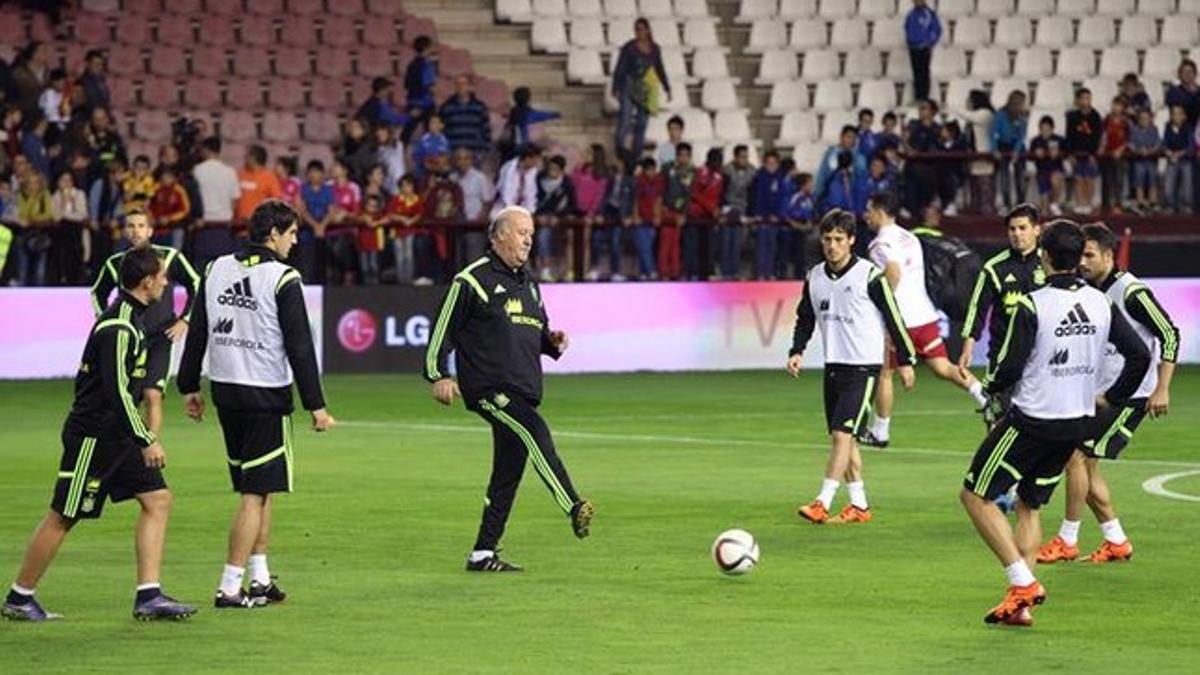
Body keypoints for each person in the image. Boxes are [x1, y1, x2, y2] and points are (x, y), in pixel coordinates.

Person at [960, 219, 1149, 627]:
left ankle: (1022, 582)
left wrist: (987, 384)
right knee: (1028, 504)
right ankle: (1021, 608)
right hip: (1076, 424)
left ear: (1044, 257)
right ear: (1077, 257)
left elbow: (1009, 366)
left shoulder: (1034, 303)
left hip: (1032, 419)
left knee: (975, 496)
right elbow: (1139, 356)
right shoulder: (1100, 302)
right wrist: (1111, 399)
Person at [2, 248, 196, 622]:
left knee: (158, 499)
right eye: (162, 276)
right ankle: (19, 597)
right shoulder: (119, 326)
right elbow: (117, 392)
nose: (167, 282)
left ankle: (149, 596)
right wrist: (147, 438)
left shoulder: (132, 320)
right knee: (64, 515)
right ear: (146, 282)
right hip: (94, 436)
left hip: (116, 436)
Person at [178, 200, 335, 609]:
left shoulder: (215, 269)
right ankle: (229, 586)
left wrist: (189, 386)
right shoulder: (283, 278)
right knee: (254, 494)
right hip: (265, 395)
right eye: (292, 233)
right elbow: (301, 348)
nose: (296, 241)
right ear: (273, 235)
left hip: (226, 391)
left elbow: (198, 331)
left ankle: (260, 578)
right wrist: (316, 405)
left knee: (261, 491)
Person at [424, 206, 594, 572]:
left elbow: (537, 331)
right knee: (535, 429)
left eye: (531, 232)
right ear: (498, 235)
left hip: (524, 386)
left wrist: (553, 343)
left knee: (508, 470)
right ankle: (573, 504)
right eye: (521, 231)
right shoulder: (472, 280)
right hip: (489, 387)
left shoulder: (529, 282)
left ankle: (483, 553)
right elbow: (443, 329)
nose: (528, 238)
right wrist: (438, 374)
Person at [1037, 223, 1179, 566]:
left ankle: (1067, 540)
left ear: (1108, 256)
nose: (1083, 262)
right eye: (1080, 255)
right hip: (1104, 394)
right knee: (1085, 465)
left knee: (1077, 457)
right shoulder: (1094, 293)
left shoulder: (1131, 291)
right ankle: (1115, 540)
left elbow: (1169, 333)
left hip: (1133, 395)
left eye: (1090, 255)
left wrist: (1161, 388)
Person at [789, 209, 917, 525]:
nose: (832, 245)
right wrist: (797, 350)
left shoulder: (870, 276)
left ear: (851, 241)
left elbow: (893, 317)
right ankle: (859, 505)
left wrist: (906, 359)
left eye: (839, 239)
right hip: (834, 366)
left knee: (841, 436)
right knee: (846, 440)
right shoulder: (815, 276)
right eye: (828, 239)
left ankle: (823, 500)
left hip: (863, 368)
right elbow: (805, 317)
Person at [857, 192, 991, 449]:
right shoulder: (910, 237)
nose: (866, 215)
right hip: (925, 316)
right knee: (942, 367)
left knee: (885, 373)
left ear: (880, 211)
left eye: (868, 210)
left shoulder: (878, 245)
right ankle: (983, 396)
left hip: (901, 321)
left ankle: (880, 432)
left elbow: (893, 274)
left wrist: (882, 306)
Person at [90, 208, 200, 436]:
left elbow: (197, 284)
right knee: (128, 397)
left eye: (141, 225)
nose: (135, 230)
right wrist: (106, 322)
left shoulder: (169, 257)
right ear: (124, 231)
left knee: (153, 394)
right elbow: (97, 293)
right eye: (130, 226)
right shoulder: (116, 263)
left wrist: (185, 320)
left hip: (161, 337)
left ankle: (149, 447)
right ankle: (131, 448)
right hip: (129, 338)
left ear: (150, 230)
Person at [959, 203, 1045, 414]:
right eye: (1012, 229)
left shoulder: (1050, 262)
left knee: (1043, 418)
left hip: (1043, 354)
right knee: (997, 415)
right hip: (1003, 356)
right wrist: (968, 347)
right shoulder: (994, 268)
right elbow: (977, 308)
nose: (1017, 234)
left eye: (1023, 228)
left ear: (1036, 229)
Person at [611, 18, 671, 162]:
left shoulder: (655, 49)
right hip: (629, 85)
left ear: (648, 30)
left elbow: (659, 68)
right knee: (625, 119)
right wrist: (616, 87)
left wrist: (667, 87)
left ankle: (635, 154)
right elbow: (621, 67)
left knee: (642, 123)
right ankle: (620, 149)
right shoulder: (629, 48)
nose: (639, 32)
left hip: (645, 88)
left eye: (641, 29)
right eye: (636, 29)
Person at [191, 137, 241, 271]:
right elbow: (235, 201)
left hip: (203, 227)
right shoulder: (230, 172)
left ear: (205, 150)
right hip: (224, 230)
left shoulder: (197, 170)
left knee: (201, 274)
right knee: (223, 274)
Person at [686, 147, 725, 280]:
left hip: (710, 216)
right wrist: (711, 208)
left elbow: (717, 195)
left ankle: (707, 272)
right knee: (694, 246)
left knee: (709, 245)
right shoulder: (700, 173)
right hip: (697, 215)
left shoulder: (719, 176)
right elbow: (695, 193)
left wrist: (717, 210)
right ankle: (692, 272)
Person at [660, 143, 694, 281]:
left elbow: (688, 194)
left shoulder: (691, 172)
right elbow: (662, 187)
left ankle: (675, 272)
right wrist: (662, 206)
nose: (683, 158)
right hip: (667, 210)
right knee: (665, 243)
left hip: (680, 213)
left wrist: (682, 212)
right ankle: (663, 272)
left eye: (686, 155)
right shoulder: (667, 168)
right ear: (677, 155)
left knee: (676, 245)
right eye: (681, 155)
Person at [750, 151, 786, 281]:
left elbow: (782, 199)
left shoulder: (781, 179)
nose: (771, 166)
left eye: (774, 163)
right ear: (764, 164)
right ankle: (760, 273)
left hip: (774, 220)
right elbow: (755, 198)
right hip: (761, 220)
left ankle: (770, 272)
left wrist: (778, 215)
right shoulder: (758, 178)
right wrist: (757, 215)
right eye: (768, 163)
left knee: (772, 247)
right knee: (761, 247)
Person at [720, 145, 755, 280]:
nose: (744, 159)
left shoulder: (752, 172)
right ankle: (725, 272)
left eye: (746, 157)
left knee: (738, 242)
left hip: (743, 210)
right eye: (741, 157)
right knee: (726, 242)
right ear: (735, 157)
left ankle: (734, 272)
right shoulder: (726, 171)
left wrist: (750, 213)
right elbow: (722, 192)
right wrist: (723, 210)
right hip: (728, 209)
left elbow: (752, 194)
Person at [1065, 89, 1102, 214]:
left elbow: (1097, 137)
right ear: (1079, 100)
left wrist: (1093, 154)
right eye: (1084, 98)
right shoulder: (1073, 117)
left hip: (1090, 154)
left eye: (1089, 98)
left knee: (1089, 178)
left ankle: (1088, 203)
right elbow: (1069, 136)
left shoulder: (1095, 116)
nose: (1087, 101)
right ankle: (1080, 203)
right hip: (1077, 153)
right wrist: (1070, 153)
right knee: (1079, 178)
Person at [992, 90, 1029, 209]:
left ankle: (1021, 204)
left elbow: (1021, 136)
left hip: (1017, 147)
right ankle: (1006, 204)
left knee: (1020, 177)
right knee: (1004, 176)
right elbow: (993, 133)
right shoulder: (1000, 115)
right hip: (1002, 146)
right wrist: (994, 149)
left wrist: (1016, 150)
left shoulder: (1022, 117)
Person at [438, 74, 491, 157]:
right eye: (458, 84)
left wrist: (485, 150)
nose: (461, 87)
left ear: (469, 86)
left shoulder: (480, 107)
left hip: (474, 153)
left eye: (464, 84)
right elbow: (441, 131)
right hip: (453, 153)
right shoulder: (446, 107)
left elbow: (486, 130)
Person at [402, 35, 439, 143]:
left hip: (413, 102)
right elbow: (429, 84)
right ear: (427, 48)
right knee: (431, 131)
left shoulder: (411, 65)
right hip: (425, 103)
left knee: (407, 131)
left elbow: (407, 84)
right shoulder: (427, 65)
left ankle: (400, 152)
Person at [235, 145, 282, 227]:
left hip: (259, 229)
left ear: (253, 158)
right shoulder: (239, 174)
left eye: (246, 155)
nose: (244, 158)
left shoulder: (269, 178)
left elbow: (276, 203)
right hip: (239, 228)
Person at [633, 156, 664, 280]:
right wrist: (636, 215)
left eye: (653, 169)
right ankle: (651, 271)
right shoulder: (638, 181)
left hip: (651, 219)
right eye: (649, 170)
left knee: (648, 247)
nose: (651, 172)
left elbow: (658, 199)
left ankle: (643, 273)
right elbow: (635, 200)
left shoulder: (658, 181)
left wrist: (657, 216)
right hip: (640, 219)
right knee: (643, 247)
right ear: (644, 170)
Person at [905, 0, 942, 104]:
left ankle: (924, 97)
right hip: (913, 48)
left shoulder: (929, 14)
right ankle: (918, 97)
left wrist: (930, 43)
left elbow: (936, 30)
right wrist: (909, 41)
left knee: (924, 72)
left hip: (923, 48)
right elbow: (907, 28)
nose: (916, 2)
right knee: (916, 73)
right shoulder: (911, 14)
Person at [1098, 96, 1130, 214]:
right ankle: (1105, 205)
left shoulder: (1125, 123)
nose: (1116, 108)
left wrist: (1120, 150)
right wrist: (1101, 147)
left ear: (1123, 108)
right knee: (1106, 180)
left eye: (1119, 105)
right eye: (1114, 105)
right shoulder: (1106, 120)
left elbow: (1127, 140)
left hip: (1119, 156)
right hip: (1107, 155)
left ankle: (1118, 204)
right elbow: (1103, 136)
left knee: (1118, 180)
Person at [1030, 115, 1067, 216]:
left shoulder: (1059, 140)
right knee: (1044, 209)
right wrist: (1036, 154)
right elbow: (1030, 157)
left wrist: (1058, 153)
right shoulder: (1035, 141)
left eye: (1048, 129)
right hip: (1042, 172)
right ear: (1039, 128)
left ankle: (1054, 204)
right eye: (1043, 129)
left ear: (1052, 128)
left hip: (1056, 169)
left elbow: (1067, 154)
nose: (1045, 131)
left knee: (1056, 178)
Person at [1162, 104, 1194, 214]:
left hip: (1185, 160)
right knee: (1168, 186)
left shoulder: (1188, 128)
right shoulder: (1168, 127)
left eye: (1178, 114)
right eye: (1173, 114)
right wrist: (1168, 152)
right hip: (1172, 160)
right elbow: (1164, 144)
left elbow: (1190, 146)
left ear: (1183, 116)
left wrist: (1179, 154)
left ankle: (1186, 206)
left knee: (1187, 186)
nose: (1175, 116)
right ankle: (1170, 206)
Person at [1127, 107, 1160, 214]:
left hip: (1151, 159)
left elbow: (1158, 144)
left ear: (1150, 119)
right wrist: (1139, 150)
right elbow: (1131, 144)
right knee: (1138, 176)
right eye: (1142, 118)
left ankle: (1153, 203)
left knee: (1152, 177)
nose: (1144, 120)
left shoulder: (1154, 129)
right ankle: (1140, 203)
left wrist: (1150, 150)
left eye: (1146, 118)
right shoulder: (1134, 130)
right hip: (1139, 159)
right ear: (1138, 119)